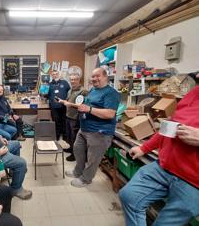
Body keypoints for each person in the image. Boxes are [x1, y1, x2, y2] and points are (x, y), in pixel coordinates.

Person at [119, 85, 199, 226]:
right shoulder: (195, 92)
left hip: (193, 182)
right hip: (164, 167)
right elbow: (170, 125)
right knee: (129, 196)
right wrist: (145, 147)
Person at [65, 67, 120, 187]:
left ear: (105, 76)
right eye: (93, 76)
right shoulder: (93, 90)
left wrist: (89, 109)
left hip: (99, 132)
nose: (94, 78)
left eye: (97, 76)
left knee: (93, 158)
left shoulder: (111, 93)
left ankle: (86, 179)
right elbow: (85, 105)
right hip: (85, 128)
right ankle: (78, 171)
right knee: (77, 149)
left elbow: (110, 113)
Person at [58, 73, 88, 161]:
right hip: (68, 115)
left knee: (75, 137)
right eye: (71, 79)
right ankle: (71, 149)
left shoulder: (83, 91)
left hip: (76, 117)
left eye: (75, 79)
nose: (72, 81)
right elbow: (69, 101)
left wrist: (69, 104)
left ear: (79, 80)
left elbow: (82, 106)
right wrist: (63, 101)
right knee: (69, 135)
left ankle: (75, 154)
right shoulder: (70, 90)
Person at [48, 70, 71, 141]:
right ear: (51, 76)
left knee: (64, 121)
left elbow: (70, 92)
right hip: (54, 106)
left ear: (59, 74)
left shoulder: (64, 83)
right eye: (53, 74)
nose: (55, 75)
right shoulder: (49, 84)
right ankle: (57, 136)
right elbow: (46, 94)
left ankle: (65, 136)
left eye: (56, 74)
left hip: (63, 105)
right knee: (56, 121)